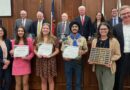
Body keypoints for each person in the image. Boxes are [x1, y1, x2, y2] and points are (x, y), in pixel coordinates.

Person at [89, 22, 121, 90]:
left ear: (109, 29)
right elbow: (93, 53)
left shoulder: (114, 41)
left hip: (109, 67)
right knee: (101, 87)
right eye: (101, 29)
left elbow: (118, 54)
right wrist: (91, 59)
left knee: (107, 88)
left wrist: (111, 60)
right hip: (98, 67)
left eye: (105, 29)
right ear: (98, 30)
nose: (103, 30)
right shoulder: (94, 40)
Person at [61, 21, 88, 90]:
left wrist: (83, 52)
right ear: (71, 28)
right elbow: (63, 50)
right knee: (68, 82)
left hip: (78, 62)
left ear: (78, 28)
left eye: (76, 27)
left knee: (78, 82)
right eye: (73, 27)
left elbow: (86, 49)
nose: (74, 28)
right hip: (68, 62)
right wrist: (64, 57)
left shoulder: (83, 39)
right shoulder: (66, 38)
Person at [34, 23, 59, 90]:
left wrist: (50, 55)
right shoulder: (37, 38)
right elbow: (34, 49)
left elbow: (57, 50)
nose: (45, 29)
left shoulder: (54, 38)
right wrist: (37, 54)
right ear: (41, 29)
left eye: (47, 28)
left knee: (50, 80)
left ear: (49, 29)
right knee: (43, 81)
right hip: (40, 61)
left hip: (50, 61)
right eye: (44, 28)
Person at [10, 26, 34, 90]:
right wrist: (11, 53)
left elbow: (32, 52)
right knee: (18, 83)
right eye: (19, 31)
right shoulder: (13, 41)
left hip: (26, 63)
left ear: (24, 32)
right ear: (17, 32)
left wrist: (27, 57)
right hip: (16, 64)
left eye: (22, 31)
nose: (20, 32)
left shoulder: (29, 40)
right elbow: (11, 53)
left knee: (25, 83)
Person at [113, 5, 130, 90]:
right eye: (124, 14)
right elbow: (113, 43)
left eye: (128, 13)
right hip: (122, 57)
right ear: (120, 15)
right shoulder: (116, 27)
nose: (126, 15)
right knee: (119, 79)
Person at [0, 26, 12, 90]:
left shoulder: (8, 41)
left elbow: (11, 52)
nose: (0, 32)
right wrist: (3, 61)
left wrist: (8, 61)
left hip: (7, 64)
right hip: (1, 63)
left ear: (4, 32)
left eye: (1, 30)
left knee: (8, 81)